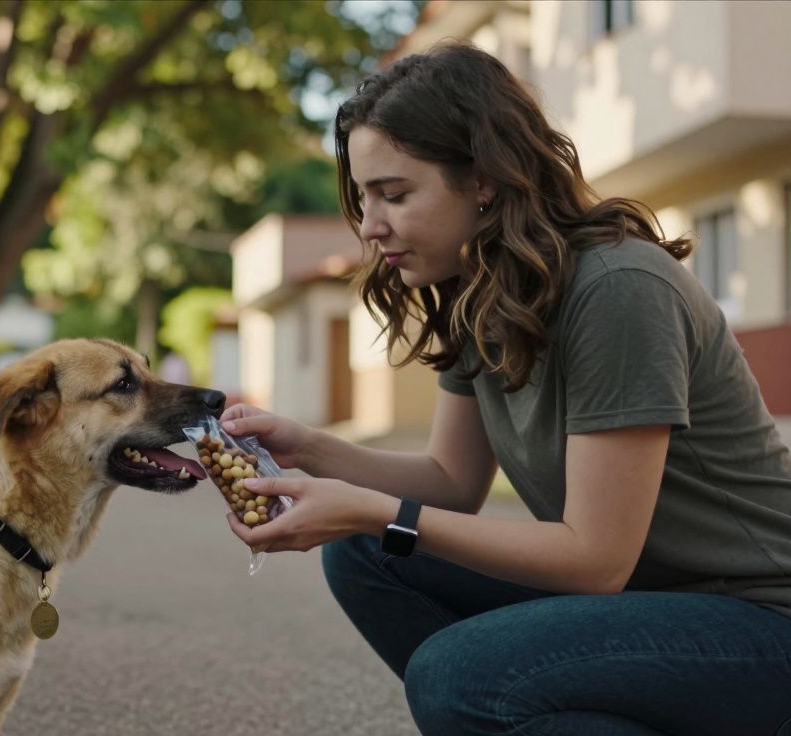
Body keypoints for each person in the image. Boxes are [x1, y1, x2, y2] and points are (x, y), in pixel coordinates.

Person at [223, 42, 791, 735]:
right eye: (365, 198)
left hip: (763, 622)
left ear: (485, 181)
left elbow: (595, 560)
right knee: (370, 556)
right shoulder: (478, 293)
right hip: (649, 606)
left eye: (394, 194)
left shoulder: (617, 289)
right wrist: (307, 447)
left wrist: (376, 511)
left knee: (459, 671)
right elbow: (450, 480)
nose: (370, 227)